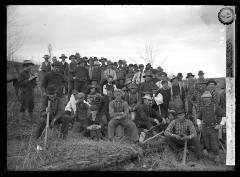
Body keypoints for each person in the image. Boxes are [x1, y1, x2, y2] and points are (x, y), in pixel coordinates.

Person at [197, 91, 226, 164]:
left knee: (214, 143)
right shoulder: (202, 108)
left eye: (207, 98)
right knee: (207, 143)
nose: (206, 99)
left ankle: (217, 159)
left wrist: (220, 124)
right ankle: (210, 158)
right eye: (204, 98)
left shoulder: (215, 106)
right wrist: (199, 124)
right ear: (203, 99)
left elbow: (224, 115)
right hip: (204, 128)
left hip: (213, 128)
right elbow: (198, 118)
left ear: (210, 98)